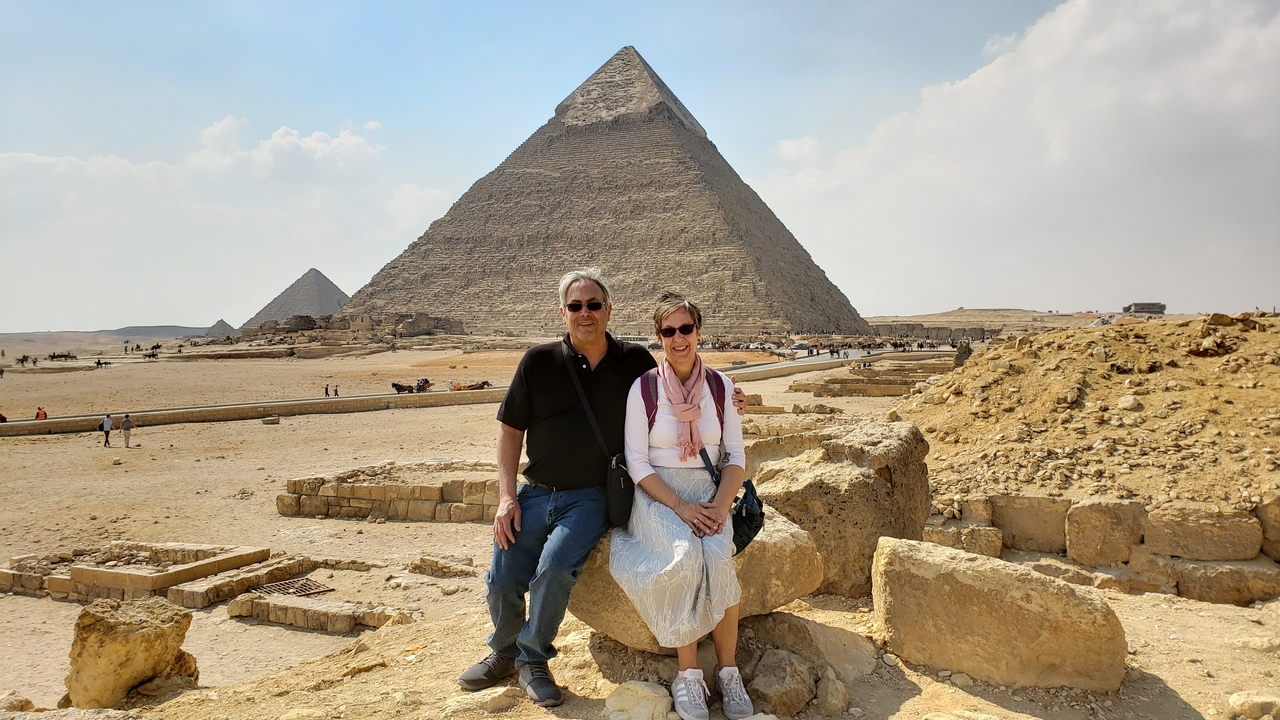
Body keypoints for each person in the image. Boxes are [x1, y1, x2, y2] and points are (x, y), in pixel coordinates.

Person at [458, 270, 744, 708]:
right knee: (502, 574)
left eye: (594, 305)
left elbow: (680, 377)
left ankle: (533, 659)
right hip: (534, 492)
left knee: (554, 569)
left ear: (610, 310)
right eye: (576, 306)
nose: (585, 313)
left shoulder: (632, 361)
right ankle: (502, 652)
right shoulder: (537, 362)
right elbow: (510, 430)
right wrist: (506, 497)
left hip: (590, 495)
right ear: (564, 312)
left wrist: (729, 394)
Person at [610, 293, 752, 720]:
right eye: (668, 331)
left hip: (710, 491)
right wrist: (680, 508)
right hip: (658, 493)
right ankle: (688, 674)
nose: (678, 338)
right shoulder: (645, 389)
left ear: (699, 332)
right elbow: (636, 461)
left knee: (718, 554)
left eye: (685, 329)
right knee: (686, 555)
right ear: (658, 337)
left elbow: (736, 456)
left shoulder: (721, 387)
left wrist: (721, 506)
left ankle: (728, 671)